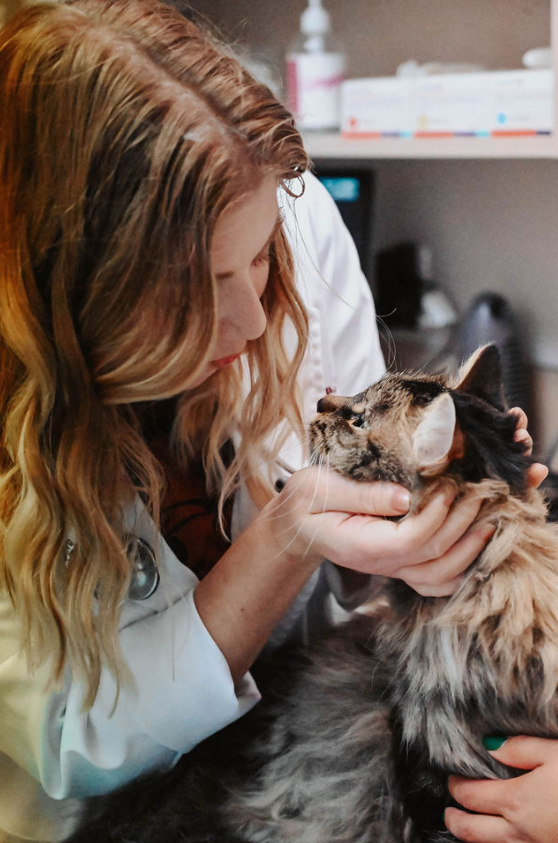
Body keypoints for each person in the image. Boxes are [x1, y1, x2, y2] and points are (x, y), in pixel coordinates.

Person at [0, 1, 547, 840]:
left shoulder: (282, 206)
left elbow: (368, 525)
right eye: (195, 286)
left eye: (259, 259)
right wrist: (291, 535)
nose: (255, 319)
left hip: (302, 774)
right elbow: (79, 735)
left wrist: (424, 542)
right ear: (74, 292)